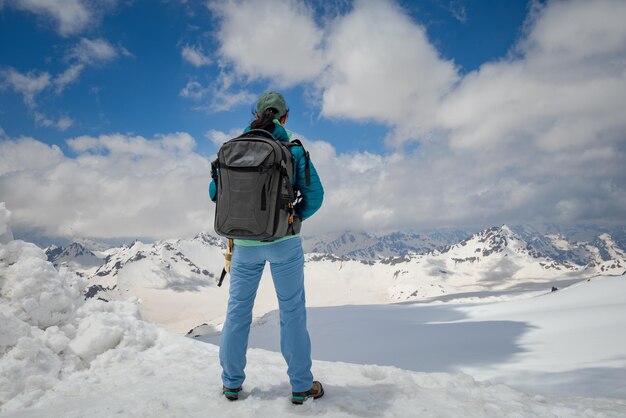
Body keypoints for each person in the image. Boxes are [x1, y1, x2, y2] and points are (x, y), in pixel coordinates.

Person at [209, 91, 325, 404]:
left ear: (256, 114)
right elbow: (316, 196)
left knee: (237, 313)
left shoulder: (233, 149)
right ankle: (301, 386)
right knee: (292, 314)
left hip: (244, 244)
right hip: (283, 242)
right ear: (284, 118)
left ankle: (231, 384)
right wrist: (293, 217)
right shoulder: (293, 150)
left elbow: (214, 192)